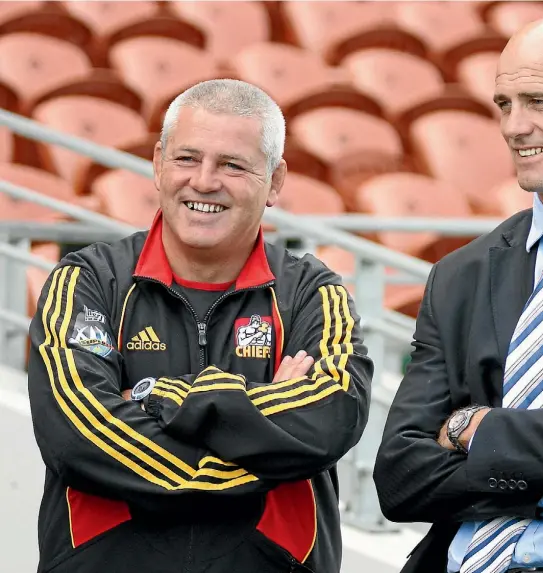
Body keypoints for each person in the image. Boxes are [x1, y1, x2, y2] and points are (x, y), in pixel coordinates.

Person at [27, 79, 373, 573]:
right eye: (187, 158)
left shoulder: (313, 293)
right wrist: (258, 437)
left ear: (274, 182)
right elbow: (78, 433)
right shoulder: (85, 280)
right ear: (157, 163)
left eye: (233, 165)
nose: (205, 181)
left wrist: (157, 397)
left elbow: (331, 416)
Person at [374, 13, 543, 573]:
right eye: (504, 104)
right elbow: (400, 477)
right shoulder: (461, 275)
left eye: (540, 101)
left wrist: (471, 428)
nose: (513, 126)